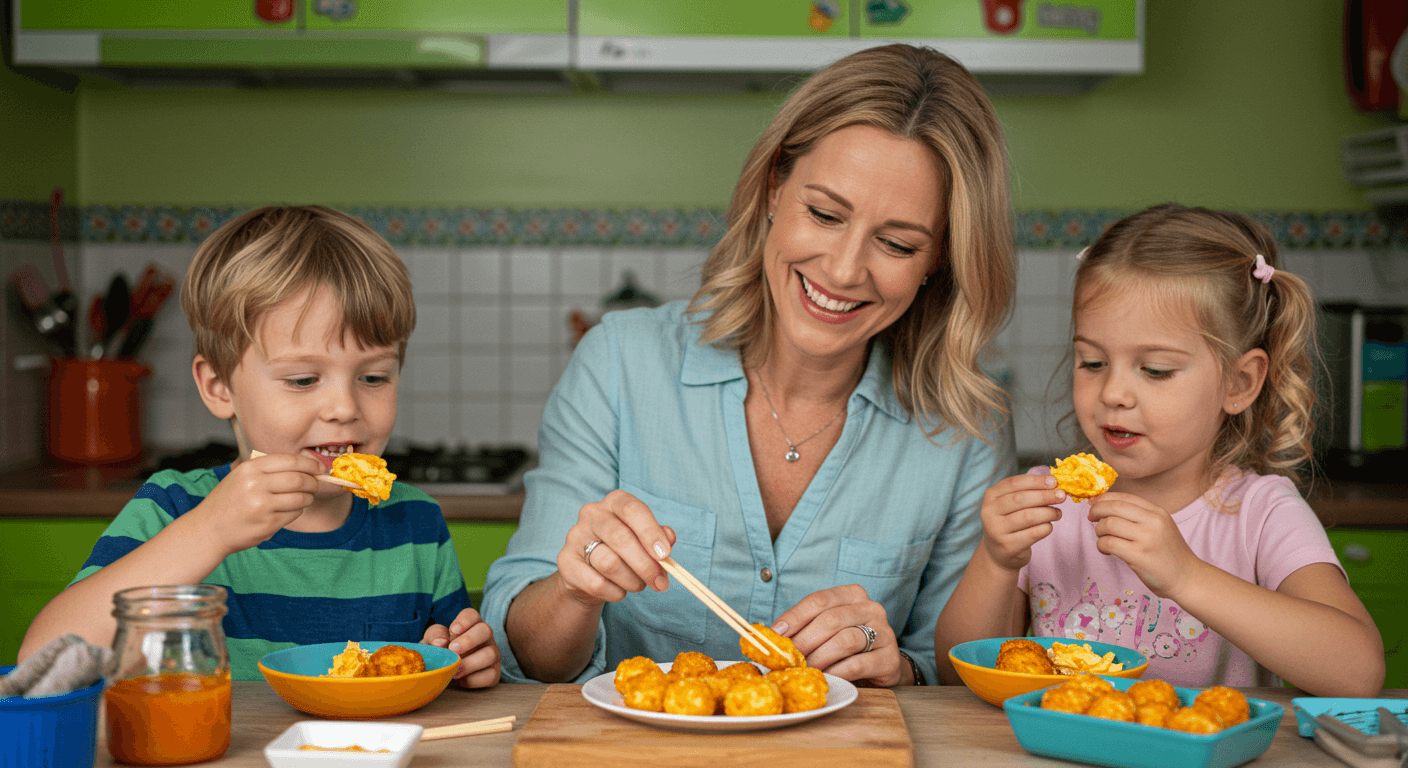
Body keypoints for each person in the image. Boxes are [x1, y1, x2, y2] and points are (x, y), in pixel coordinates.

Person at [482, 44, 1017, 688]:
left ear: (940, 260)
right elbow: (528, 654)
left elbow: (956, 672)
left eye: (897, 243)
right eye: (824, 214)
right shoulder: (620, 363)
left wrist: (896, 664)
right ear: (772, 187)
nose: (844, 271)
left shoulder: (966, 432)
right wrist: (575, 590)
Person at [19, 206, 501, 687]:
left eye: (374, 376)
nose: (343, 407)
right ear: (219, 387)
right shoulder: (174, 510)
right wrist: (209, 532)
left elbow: (446, 657)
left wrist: (465, 661)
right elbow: (44, 660)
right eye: (303, 379)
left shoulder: (417, 525)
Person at [936, 204, 1384, 696]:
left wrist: (1186, 576)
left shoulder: (1261, 513)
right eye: (1092, 362)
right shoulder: (1049, 508)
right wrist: (997, 561)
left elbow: (1358, 672)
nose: (1113, 393)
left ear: (1240, 381)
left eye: (1155, 370)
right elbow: (954, 674)